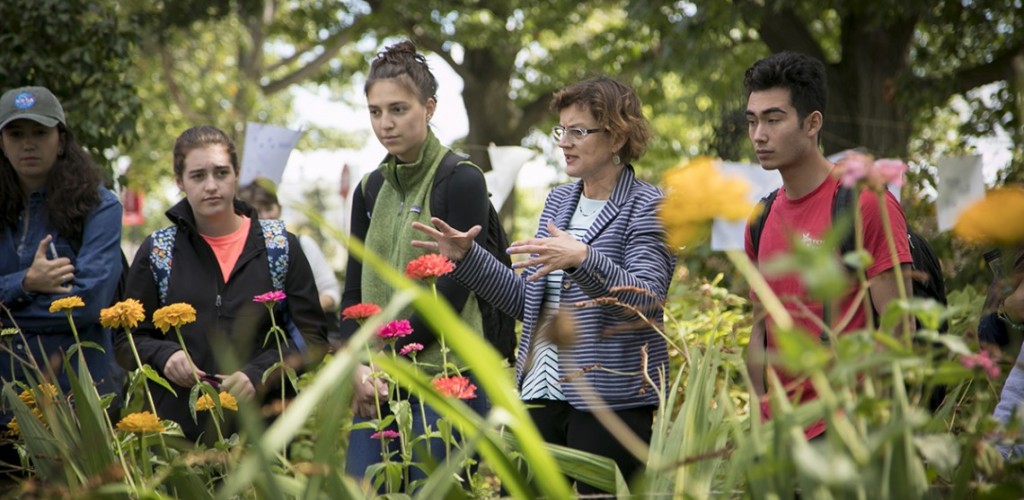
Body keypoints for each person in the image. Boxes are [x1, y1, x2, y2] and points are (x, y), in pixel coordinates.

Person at [412, 76, 676, 492]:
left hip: (607, 401)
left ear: (616, 136)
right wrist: (467, 258)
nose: (564, 141)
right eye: (561, 130)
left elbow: (646, 297)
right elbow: (527, 301)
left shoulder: (649, 205)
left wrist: (583, 259)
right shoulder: (558, 201)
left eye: (578, 131)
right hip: (538, 390)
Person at [339, 40, 494, 485]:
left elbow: (450, 292)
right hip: (377, 382)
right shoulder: (369, 189)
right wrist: (357, 364)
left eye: (398, 109)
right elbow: (353, 292)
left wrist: (384, 355)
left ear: (429, 108)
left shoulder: (462, 179)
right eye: (374, 111)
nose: (384, 124)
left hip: (447, 380)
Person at [115, 125, 327, 442]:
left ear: (236, 174)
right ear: (179, 181)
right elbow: (126, 339)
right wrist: (165, 356)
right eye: (198, 175)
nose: (211, 186)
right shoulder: (158, 251)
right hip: (179, 442)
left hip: (264, 438)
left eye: (221, 172)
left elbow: (312, 339)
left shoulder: (280, 246)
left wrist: (259, 373)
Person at [742, 52, 913, 439]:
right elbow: (759, 328)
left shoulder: (863, 202)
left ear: (812, 123)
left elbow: (900, 325)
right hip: (779, 431)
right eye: (752, 121)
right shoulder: (761, 217)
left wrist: (874, 423)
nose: (758, 135)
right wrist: (758, 411)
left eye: (773, 119)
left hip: (847, 430)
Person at [0, 86, 123, 465]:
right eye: (16, 134)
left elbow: (87, 307)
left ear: (61, 140)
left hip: (77, 407)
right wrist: (25, 283)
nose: (28, 145)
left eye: (39, 133)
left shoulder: (100, 207)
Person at [238, 181, 342, 344]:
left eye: (269, 208)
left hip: (311, 340)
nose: (265, 216)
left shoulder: (300, 244)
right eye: (257, 211)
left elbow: (331, 291)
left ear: (279, 208)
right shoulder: (242, 255)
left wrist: (300, 310)